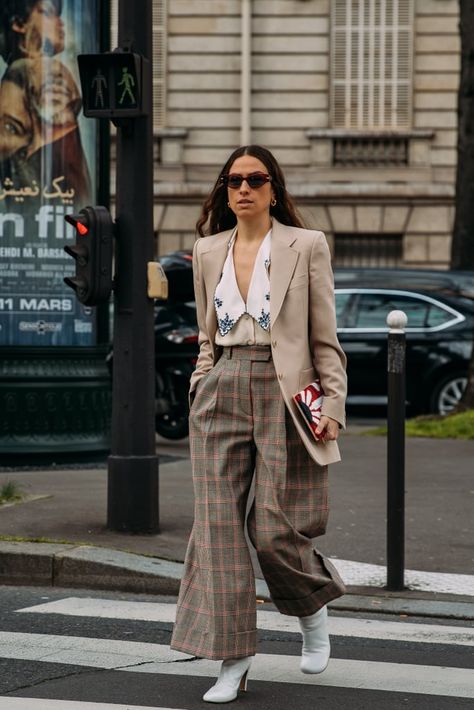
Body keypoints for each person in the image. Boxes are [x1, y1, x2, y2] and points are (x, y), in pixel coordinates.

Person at [170, 145, 348, 703]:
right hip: (222, 385)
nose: (244, 188)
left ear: (274, 188)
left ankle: (310, 608)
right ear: (225, 190)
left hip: (283, 388)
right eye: (234, 180)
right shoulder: (206, 250)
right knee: (218, 531)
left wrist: (333, 407)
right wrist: (203, 377)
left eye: (256, 179)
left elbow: (325, 339)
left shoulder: (306, 245)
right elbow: (206, 332)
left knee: (273, 528)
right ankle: (234, 658)